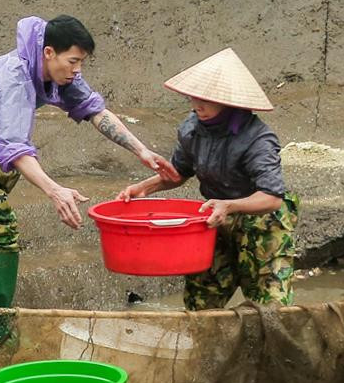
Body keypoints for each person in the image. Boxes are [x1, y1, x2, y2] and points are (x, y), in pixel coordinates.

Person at [0, 14, 180, 344]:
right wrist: (55, 191)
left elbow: (94, 110)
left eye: (81, 63)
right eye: (73, 61)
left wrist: (142, 151)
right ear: (49, 53)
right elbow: (16, 151)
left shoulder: (61, 73)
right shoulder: (14, 82)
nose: (77, 70)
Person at [117, 47, 298, 310]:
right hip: (214, 215)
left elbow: (271, 197)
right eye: (194, 98)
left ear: (229, 101)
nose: (197, 106)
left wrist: (231, 206)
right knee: (201, 300)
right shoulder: (192, 129)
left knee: (269, 307)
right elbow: (179, 172)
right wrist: (144, 187)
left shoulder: (258, 138)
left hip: (262, 222)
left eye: (207, 100)